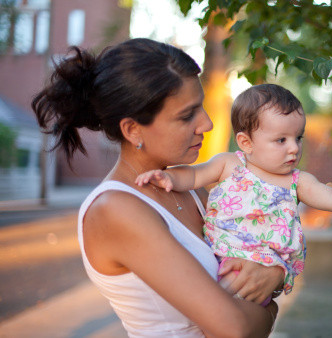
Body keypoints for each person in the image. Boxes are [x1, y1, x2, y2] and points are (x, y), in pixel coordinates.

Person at [31, 38, 283, 338]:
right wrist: (270, 309)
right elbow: (235, 328)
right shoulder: (115, 209)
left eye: (200, 106)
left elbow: (257, 260)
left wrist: (274, 274)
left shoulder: (188, 188)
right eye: (186, 115)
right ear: (132, 129)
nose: (207, 124)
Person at [135, 84, 332, 302]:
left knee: (232, 309)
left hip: (263, 272)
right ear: (246, 143)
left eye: (299, 137)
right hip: (221, 257)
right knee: (211, 304)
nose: (294, 148)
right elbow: (193, 175)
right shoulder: (229, 164)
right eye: (281, 140)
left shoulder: (297, 181)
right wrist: (167, 176)